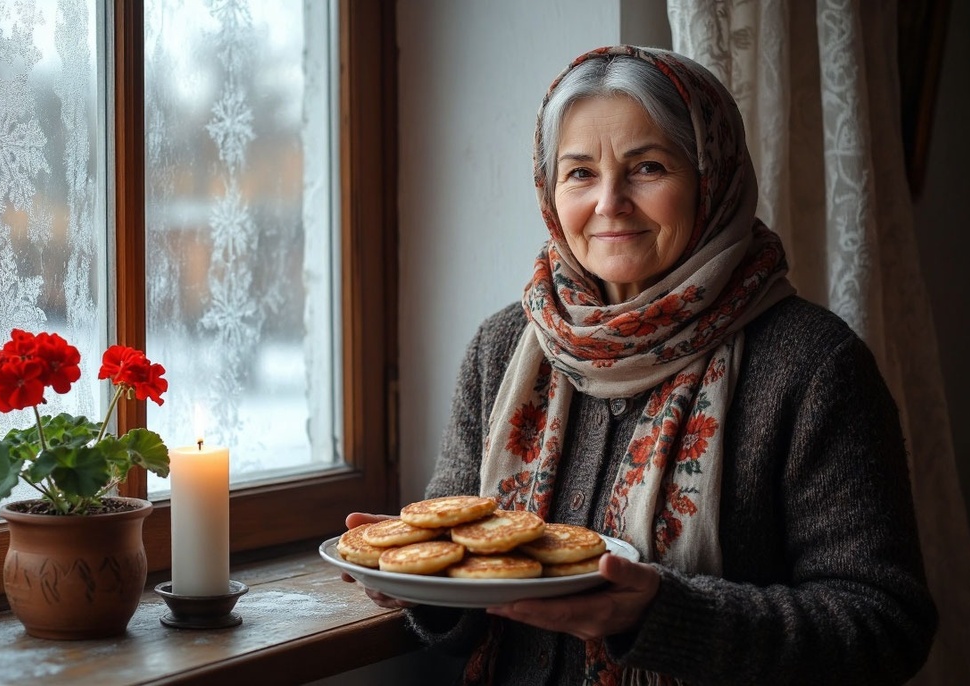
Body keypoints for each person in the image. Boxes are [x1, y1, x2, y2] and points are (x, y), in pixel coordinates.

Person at [344, 45, 936, 685]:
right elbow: (463, 583)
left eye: (647, 167)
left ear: (712, 178)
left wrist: (666, 614)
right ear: (549, 191)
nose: (609, 202)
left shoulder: (813, 365)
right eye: (578, 173)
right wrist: (419, 584)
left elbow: (884, 627)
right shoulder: (502, 346)